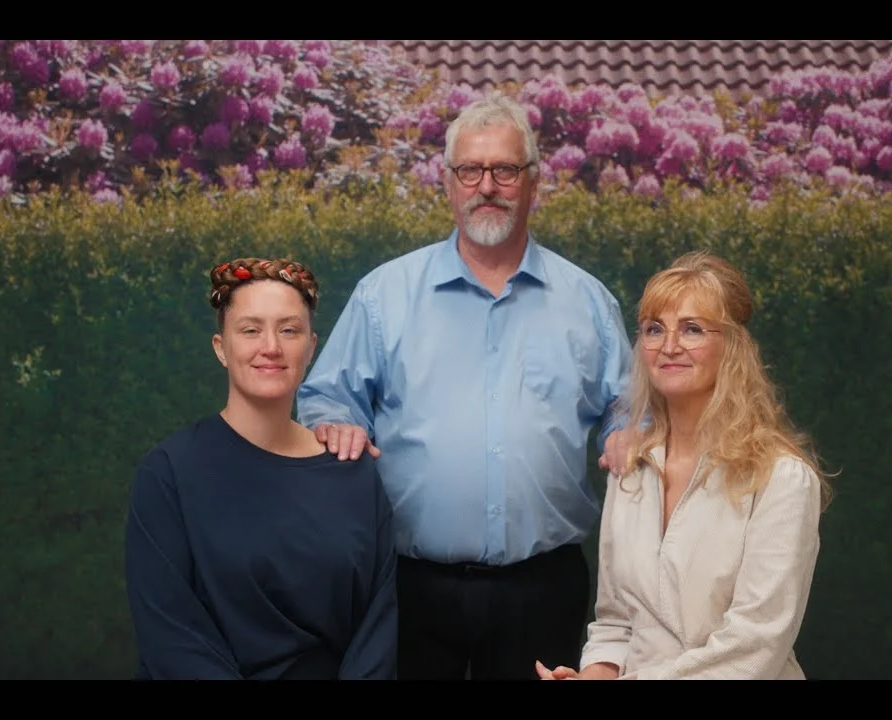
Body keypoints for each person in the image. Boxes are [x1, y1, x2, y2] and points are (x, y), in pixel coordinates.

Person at [295, 92, 633, 680]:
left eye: (505, 170)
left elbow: (631, 405)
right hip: (411, 587)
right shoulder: (384, 295)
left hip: (544, 586)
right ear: (448, 182)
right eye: (470, 170)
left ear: (533, 181)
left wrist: (627, 432)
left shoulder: (587, 302)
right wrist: (336, 421)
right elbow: (327, 397)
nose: (487, 186)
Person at [536, 251, 833, 680]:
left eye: (692, 329)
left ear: (733, 346)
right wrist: (592, 676)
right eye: (654, 329)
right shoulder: (631, 467)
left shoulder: (781, 478)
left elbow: (754, 646)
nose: (670, 346)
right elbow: (616, 623)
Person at [124, 257, 397, 680]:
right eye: (251, 330)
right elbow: (172, 637)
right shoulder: (169, 475)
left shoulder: (352, 471)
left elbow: (376, 632)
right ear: (221, 348)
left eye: (289, 330)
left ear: (311, 347)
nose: (271, 346)